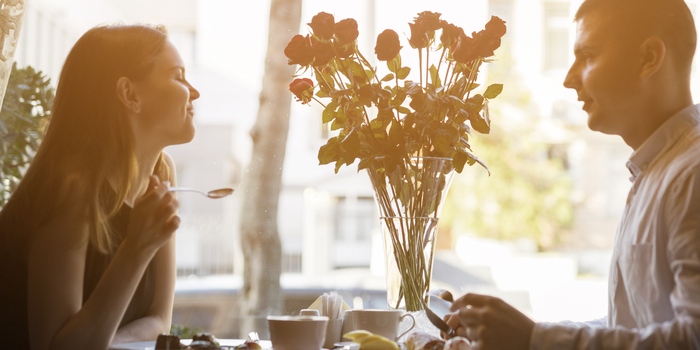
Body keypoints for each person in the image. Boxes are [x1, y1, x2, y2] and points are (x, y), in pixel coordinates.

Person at [446, 0, 700, 348]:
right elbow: (630, 327)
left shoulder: (691, 176)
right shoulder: (656, 171)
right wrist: (517, 333)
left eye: (588, 56)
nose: (568, 79)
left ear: (648, 58)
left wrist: (534, 338)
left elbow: (692, 338)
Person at [0, 24, 200, 350]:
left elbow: (159, 320)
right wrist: (137, 249)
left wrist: (103, 342)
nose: (194, 92)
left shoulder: (162, 172)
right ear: (129, 94)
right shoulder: (72, 188)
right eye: (178, 76)